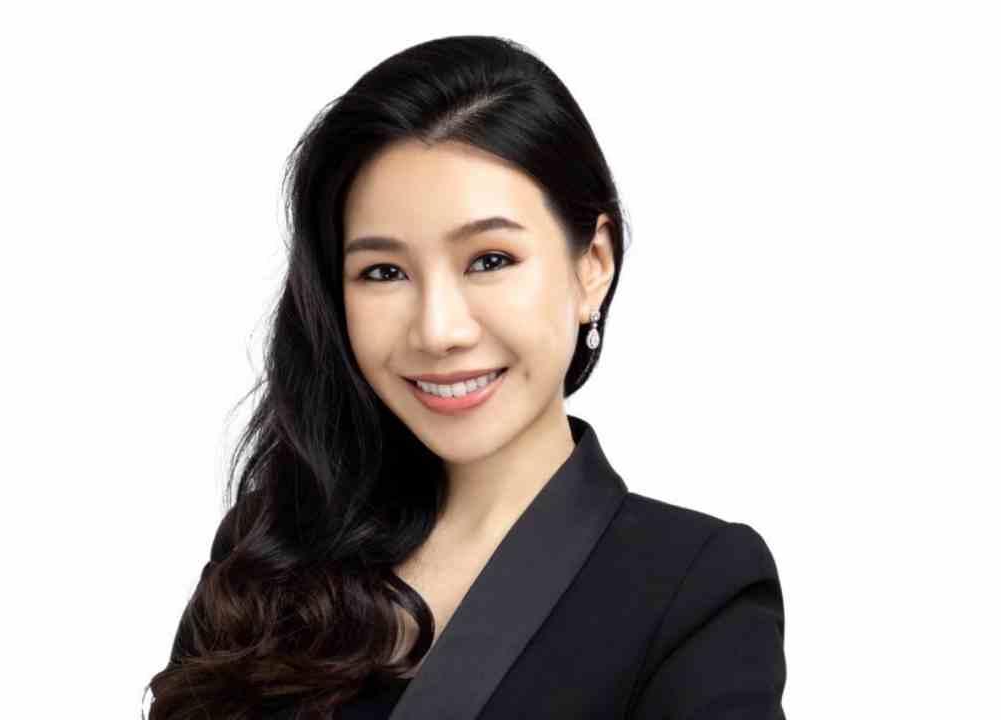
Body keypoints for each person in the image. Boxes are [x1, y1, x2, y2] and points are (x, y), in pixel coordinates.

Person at [145, 34, 786, 720]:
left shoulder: (693, 586)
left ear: (592, 265)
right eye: (383, 272)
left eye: (489, 260)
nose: (438, 330)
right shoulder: (271, 552)